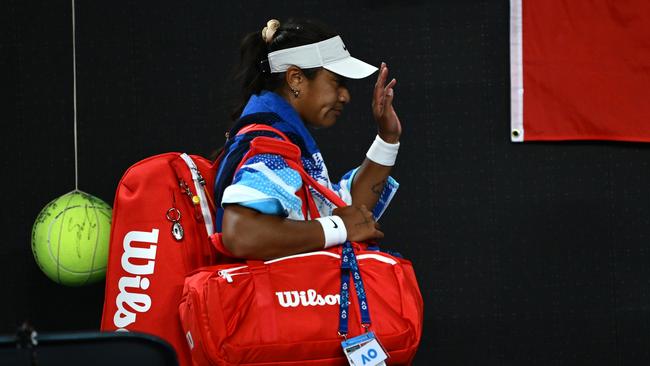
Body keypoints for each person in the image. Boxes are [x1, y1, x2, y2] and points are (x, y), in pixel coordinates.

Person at [213, 18, 402, 260]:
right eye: (337, 81)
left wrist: (388, 138)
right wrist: (338, 228)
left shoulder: (284, 137)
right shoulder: (270, 146)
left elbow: (346, 210)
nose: (345, 96)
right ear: (296, 79)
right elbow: (240, 233)